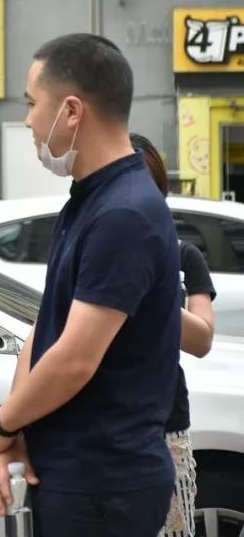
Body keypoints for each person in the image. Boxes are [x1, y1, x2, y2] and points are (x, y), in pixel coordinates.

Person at [0, 34, 180, 537]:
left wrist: (2, 422)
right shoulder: (90, 199)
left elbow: (75, 358)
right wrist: (16, 428)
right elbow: (46, 329)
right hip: (74, 473)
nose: (28, 121)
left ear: (71, 110)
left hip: (105, 483)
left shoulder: (125, 213)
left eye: (32, 104)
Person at [131, 133, 215, 537]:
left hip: (163, 420)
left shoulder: (183, 256)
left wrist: (148, 286)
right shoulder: (93, 250)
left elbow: (202, 341)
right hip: (101, 424)